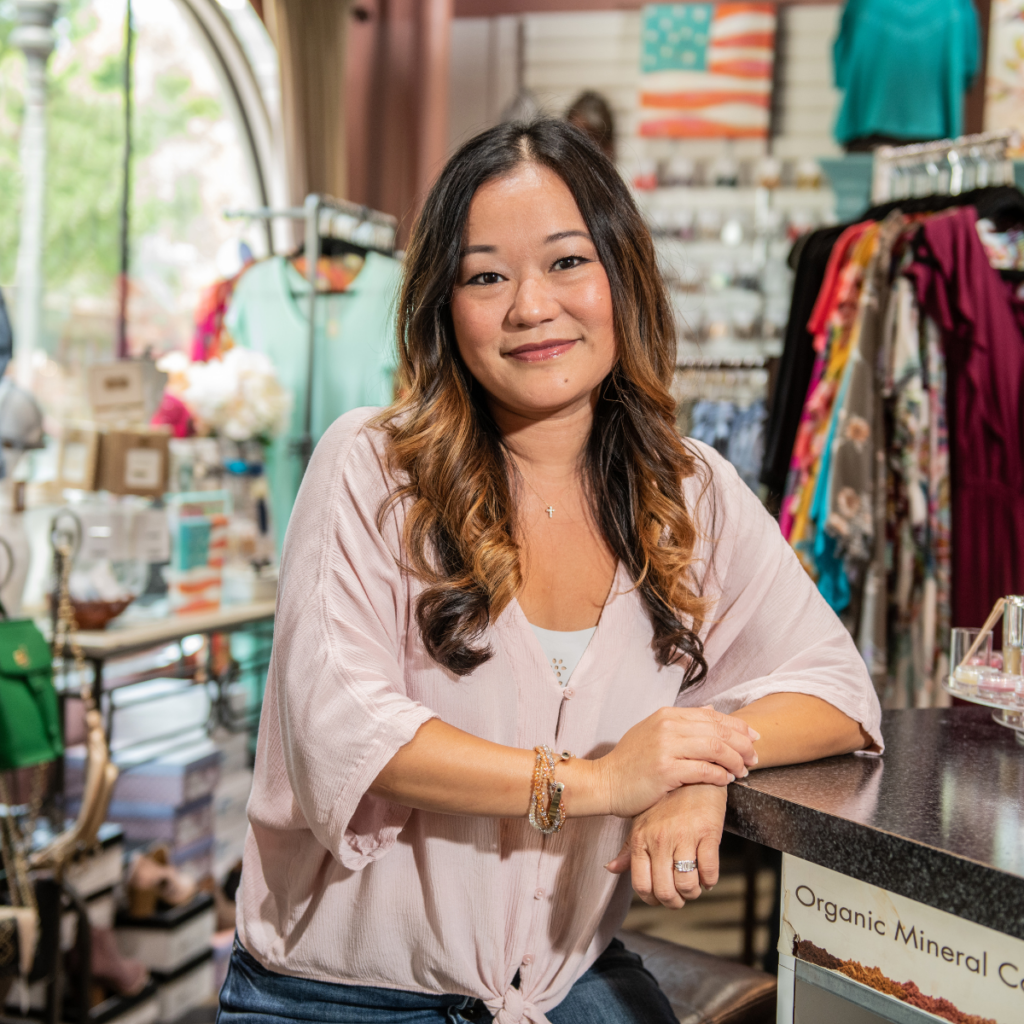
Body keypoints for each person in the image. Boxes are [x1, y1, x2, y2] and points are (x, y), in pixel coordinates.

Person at [220, 119, 882, 1024]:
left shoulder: (691, 492)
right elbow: (348, 733)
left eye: (568, 262)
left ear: (623, 278)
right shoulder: (372, 468)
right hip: (341, 998)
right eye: (486, 275)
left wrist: (700, 766)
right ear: (444, 309)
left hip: (559, 985)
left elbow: (837, 691)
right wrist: (605, 782)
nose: (532, 306)